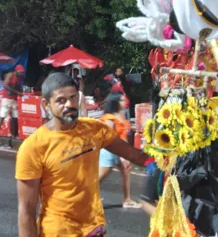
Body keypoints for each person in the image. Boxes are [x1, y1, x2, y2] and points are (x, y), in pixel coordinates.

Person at [15, 73, 148, 237]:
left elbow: (134, 155)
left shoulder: (94, 129)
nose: (69, 104)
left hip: (93, 229)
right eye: (61, 100)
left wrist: (168, 161)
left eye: (73, 97)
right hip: (58, 232)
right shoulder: (33, 147)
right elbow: (26, 211)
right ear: (46, 104)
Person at [99, 92, 141, 209]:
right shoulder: (109, 118)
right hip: (110, 152)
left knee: (126, 173)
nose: (125, 102)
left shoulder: (121, 115)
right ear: (115, 102)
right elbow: (109, 139)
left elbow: (124, 136)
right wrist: (123, 156)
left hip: (120, 151)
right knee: (99, 178)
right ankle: (82, 199)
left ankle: (127, 200)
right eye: (122, 100)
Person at [0, 65, 24, 138]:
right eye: (20, 72)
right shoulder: (10, 75)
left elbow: (19, 86)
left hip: (14, 99)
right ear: (16, 71)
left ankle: (14, 134)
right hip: (7, 98)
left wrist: (20, 91)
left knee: (15, 117)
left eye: (22, 72)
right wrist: (16, 91)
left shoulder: (20, 78)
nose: (21, 74)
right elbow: (5, 85)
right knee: (2, 116)